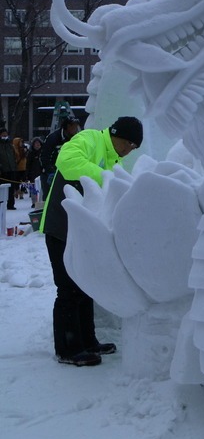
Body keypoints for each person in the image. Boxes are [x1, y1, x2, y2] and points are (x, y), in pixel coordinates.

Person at [40, 116, 143, 367]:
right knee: (67, 288)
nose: (129, 151)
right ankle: (67, 349)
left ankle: (87, 342)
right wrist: (106, 177)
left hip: (82, 232)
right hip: (60, 227)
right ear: (117, 135)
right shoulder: (90, 138)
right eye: (129, 144)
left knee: (85, 286)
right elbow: (67, 161)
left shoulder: (113, 158)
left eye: (134, 148)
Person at [40, 115, 81, 200]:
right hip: (50, 174)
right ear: (67, 126)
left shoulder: (77, 138)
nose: (76, 129)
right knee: (51, 200)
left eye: (77, 126)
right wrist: (50, 171)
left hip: (69, 174)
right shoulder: (53, 138)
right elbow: (44, 156)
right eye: (73, 126)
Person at [0, 125, 18, 210]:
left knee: (11, 188)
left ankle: (11, 204)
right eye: (3, 134)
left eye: (5, 134)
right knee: (2, 189)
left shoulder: (10, 145)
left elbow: (14, 156)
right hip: (2, 171)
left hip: (11, 170)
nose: (5, 136)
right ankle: (1, 203)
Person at [26, 137, 44, 207]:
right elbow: (28, 165)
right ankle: (34, 202)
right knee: (33, 189)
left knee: (41, 189)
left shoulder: (43, 153)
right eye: (36, 144)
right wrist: (27, 174)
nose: (37, 145)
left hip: (41, 174)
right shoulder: (31, 154)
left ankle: (41, 201)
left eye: (38, 143)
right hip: (33, 174)